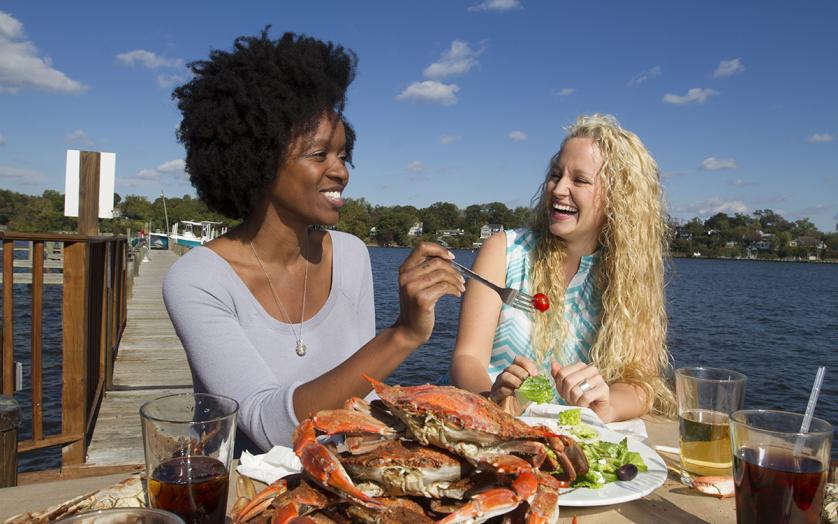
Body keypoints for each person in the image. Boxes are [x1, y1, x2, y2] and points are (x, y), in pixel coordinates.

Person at [163, 30, 464, 454]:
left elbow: (363, 402)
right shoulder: (197, 279)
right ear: (260, 160)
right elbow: (267, 428)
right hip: (241, 494)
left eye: (343, 156)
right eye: (319, 155)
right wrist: (402, 335)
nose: (341, 171)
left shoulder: (352, 254)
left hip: (340, 483)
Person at [449, 114, 675, 422]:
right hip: (492, 426)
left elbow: (642, 385)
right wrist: (494, 399)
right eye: (556, 175)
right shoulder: (504, 250)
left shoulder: (631, 278)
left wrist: (607, 404)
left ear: (619, 200)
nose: (558, 189)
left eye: (579, 180)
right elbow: (467, 358)